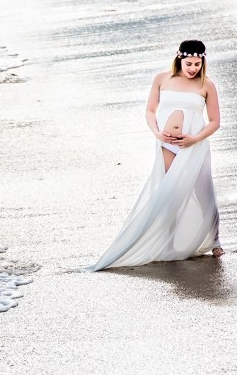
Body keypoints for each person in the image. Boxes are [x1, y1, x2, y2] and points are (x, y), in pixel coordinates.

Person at [86, 39, 224, 271]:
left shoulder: (206, 85)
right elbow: (150, 110)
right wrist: (157, 133)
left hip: (195, 146)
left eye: (198, 64)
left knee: (204, 193)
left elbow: (215, 122)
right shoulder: (162, 79)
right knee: (170, 193)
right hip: (167, 145)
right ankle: (168, 242)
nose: (193, 69)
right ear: (179, 59)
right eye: (189, 63)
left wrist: (194, 139)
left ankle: (215, 241)